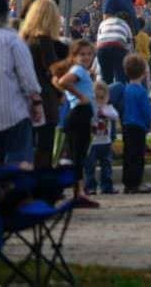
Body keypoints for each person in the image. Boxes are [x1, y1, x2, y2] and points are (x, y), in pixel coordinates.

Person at [19, 0, 69, 169]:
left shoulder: (24, 40)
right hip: (45, 99)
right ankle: (42, 183)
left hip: (24, 99)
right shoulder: (44, 42)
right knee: (44, 147)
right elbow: (52, 71)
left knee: (26, 146)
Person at [0, 0, 42, 169]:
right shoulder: (13, 40)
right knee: (18, 166)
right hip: (14, 112)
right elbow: (27, 76)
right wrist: (36, 102)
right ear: (7, 15)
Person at [51, 39, 98, 207]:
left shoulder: (82, 71)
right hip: (79, 114)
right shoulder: (78, 69)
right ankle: (78, 193)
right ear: (74, 56)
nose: (86, 57)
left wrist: (68, 95)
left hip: (82, 115)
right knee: (77, 156)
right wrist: (79, 96)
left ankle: (80, 191)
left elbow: (57, 81)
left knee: (77, 155)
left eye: (89, 54)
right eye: (82, 54)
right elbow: (63, 81)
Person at [121, 53, 151, 194]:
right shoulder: (141, 91)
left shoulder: (126, 89)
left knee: (128, 155)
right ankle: (137, 182)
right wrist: (149, 121)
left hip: (127, 125)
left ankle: (128, 183)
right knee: (138, 156)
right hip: (139, 126)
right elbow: (146, 111)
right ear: (143, 72)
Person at [84, 81, 119, 196]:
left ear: (107, 97)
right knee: (90, 167)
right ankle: (90, 187)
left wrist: (104, 112)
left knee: (107, 166)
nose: (99, 101)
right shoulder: (90, 108)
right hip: (92, 143)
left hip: (105, 142)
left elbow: (115, 116)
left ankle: (107, 186)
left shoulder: (109, 108)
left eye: (102, 98)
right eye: (96, 98)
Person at [96, 12, 133, 84]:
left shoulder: (103, 23)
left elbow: (98, 41)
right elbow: (129, 45)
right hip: (118, 48)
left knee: (106, 77)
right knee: (120, 75)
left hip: (102, 49)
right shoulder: (125, 25)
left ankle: (106, 93)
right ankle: (120, 92)